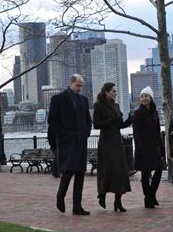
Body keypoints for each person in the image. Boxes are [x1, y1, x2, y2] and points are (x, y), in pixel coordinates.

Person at [47, 74, 92, 215]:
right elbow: (52, 120)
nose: (80, 88)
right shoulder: (58, 99)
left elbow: (88, 119)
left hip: (81, 141)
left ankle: (77, 207)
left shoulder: (84, 100)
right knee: (68, 172)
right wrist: (62, 134)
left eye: (81, 86)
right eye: (78, 85)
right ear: (71, 83)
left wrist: (86, 132)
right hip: (67, 142)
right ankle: (60, 196)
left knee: (80, 174)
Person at [93, 82, 132, 212]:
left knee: (120, 171)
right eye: (113, 91)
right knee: (107, 170)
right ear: (106, 92)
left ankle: (118, 201)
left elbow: (120, 125)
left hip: (117, 141)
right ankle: (102, 194)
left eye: (116, 91)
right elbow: (96, 125)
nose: (115, 93)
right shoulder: (98, 106)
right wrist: (112, 120)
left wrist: (130, 120)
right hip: (106, 142)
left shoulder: (116, 106)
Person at [132, 86, 163, 209]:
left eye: (146, 96)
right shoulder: (138, 113)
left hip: (154, 147)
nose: (144, 98)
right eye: (142, 96)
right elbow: (136, 132)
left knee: (159, 170)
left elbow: (157, 131)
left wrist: (161, 147)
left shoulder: (155, 112)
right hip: (143, 147)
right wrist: (139, 147)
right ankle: (147, 198)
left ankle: (152, 194)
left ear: (151, 98)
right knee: (145, 174)